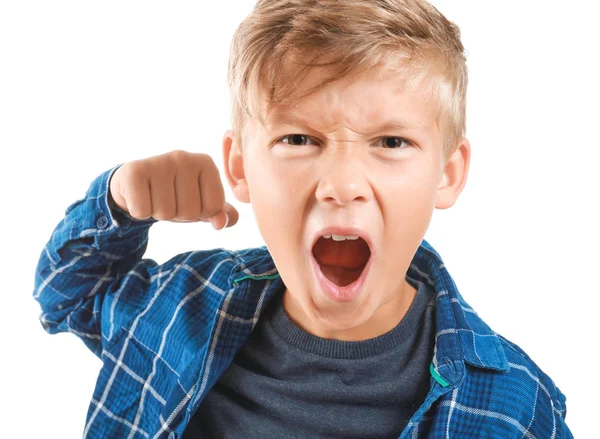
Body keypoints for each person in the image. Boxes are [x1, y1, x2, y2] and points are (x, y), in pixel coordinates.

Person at [33, 0, 573, 437]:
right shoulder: (179, 307)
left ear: (447, 174)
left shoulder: (516, 407)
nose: (341, 184)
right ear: (241, 167)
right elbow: (66, 295)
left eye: (391, 141)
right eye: (298, 139)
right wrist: (118, 202)